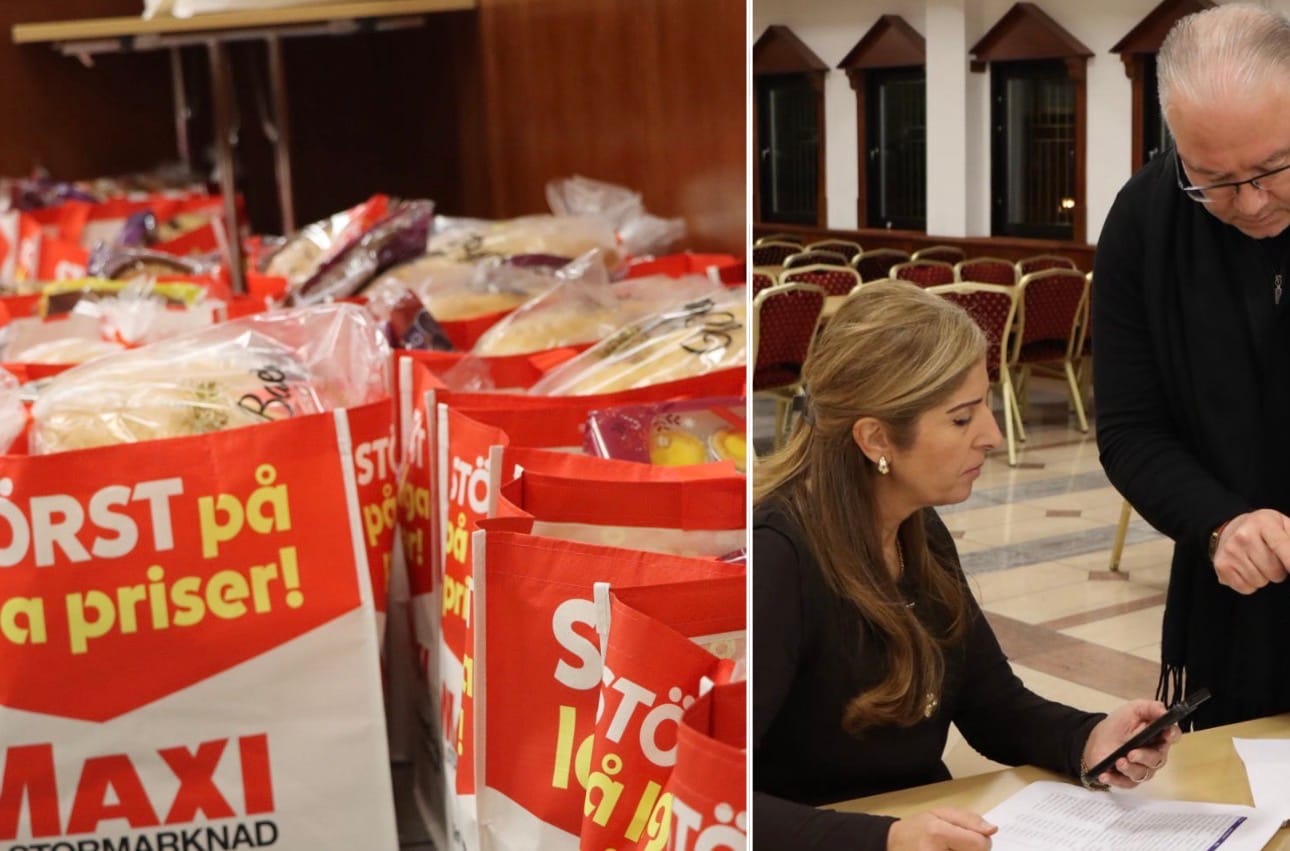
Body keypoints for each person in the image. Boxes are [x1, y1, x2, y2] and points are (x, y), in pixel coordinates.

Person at [754, 281, 1179, 850]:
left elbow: (991, 706)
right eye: (961, 419)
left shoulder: (917, 529)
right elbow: (719, 798)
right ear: (876, 438)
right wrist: (885, 840)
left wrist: (1089, 740)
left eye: (985, 405)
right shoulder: (776, 560)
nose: (992, 435)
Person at [1094, 3, 1290, 730]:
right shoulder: (1146, 221)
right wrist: (1219, 524)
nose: (1250, 202)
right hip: (1233, 610)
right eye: (1213, 179)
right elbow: (1130, 430)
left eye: (1272, 168)